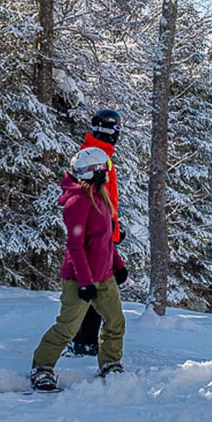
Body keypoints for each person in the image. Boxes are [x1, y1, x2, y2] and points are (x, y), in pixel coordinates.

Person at [30, 147, 128, 391]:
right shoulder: (78, 202)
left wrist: (118, 265)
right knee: (68, 327)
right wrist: (85, 282)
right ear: (94, 171)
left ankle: (110, 363)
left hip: (104, 276)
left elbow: (104, 239)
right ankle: (42, 367)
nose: (108, 172)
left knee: (115, 322)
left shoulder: (99, 196)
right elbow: (75, 246)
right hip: (79, 278)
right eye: (105, 168)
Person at [68, 109, 124, 357]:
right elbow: (86, 194)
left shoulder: (103, 155)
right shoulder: (94, 156)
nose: (117, 136)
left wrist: (114, 229)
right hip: (95, 233)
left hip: (104, 231)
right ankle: (83, 340)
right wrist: (102, 227)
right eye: (115, 130)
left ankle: (87, 339)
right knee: (94, 285)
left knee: (100, 284)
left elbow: (108, 198)